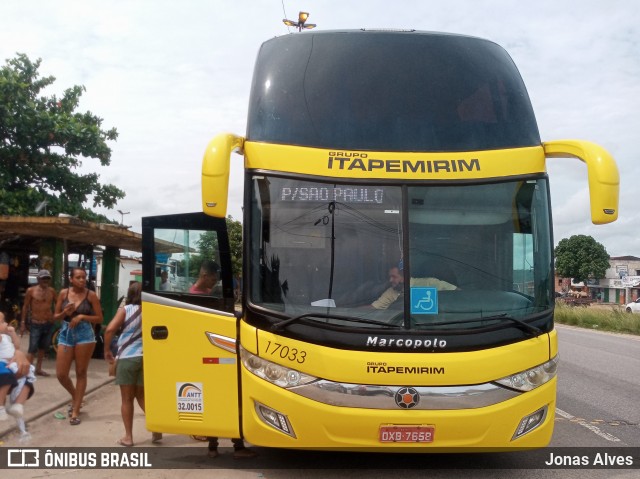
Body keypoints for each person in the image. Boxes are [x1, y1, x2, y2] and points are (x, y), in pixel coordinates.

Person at [188, 264, 256, 458]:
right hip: (209, 355)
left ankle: (214, 447)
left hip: (216, 354)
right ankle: (236, 447)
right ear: (204, 274)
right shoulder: (195, 296)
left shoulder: (207, 293)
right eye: (213, 278)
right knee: (228, 401)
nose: (214, 281)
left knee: (219, 401)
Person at [104, 282, 162, 447]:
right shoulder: (151, 310)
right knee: (142, 395)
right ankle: (156, 426)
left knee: (126, 399)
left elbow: (109, 330)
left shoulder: (126, 310)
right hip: (145, 358)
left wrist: (107, 350)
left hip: (128, 358)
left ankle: (128, 437)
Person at [53, 267, 103, 425]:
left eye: (84, 277)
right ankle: (77, 397)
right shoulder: (63, 294)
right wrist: (64, 314)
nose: (82, 280)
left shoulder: (91, 295)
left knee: (81, 372)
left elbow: (99, 318)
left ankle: (75, 412)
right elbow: (55, 317)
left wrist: (81, 316)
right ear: (71, 279)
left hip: (84, 334)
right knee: (61, 374)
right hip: (66, 332)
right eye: (78, 277)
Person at [0, 312, 36, 441]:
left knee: (27, 379)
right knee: (6, 377)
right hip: (4, 365)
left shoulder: (6, 337)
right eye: (2, 321)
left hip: (12, 364)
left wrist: (13, 334)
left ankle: (18, 404)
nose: (6, 323)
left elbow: (17, 346)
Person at [370, 264, 457, 310]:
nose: (390, 280)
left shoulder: (430, 283)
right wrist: (355, 314)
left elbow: (459, 292)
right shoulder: (392, 291)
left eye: (394, 277)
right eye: (390, 277)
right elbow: (373, 308)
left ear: (405, 276)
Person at [21, 269, 57, 376]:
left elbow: (58, 303)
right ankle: (27, 370)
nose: (45, 280)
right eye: (43, 278)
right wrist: (23, 322)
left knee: (43, 347)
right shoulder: (31, 291)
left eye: (47, 278)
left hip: (48, 323)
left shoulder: (52, 291)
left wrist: (55, 315)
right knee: (32, 347)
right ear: (38, 279)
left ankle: (38, 369)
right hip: (35, 322)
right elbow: (26, 306)